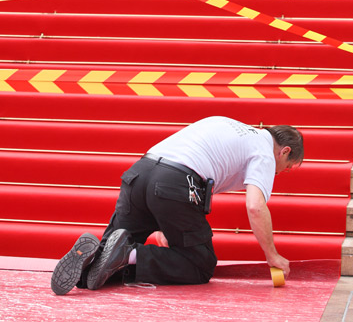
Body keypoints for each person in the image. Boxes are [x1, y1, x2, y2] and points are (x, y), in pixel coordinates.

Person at [51, 116, 304, 295]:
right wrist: (272, 256)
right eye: (289, 168)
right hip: (175, 183)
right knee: (199, 265)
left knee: (104, 263)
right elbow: (255, 207)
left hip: (140, 173)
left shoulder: (226, 125)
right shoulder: (264, 151)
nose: (282, 172)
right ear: (284, 152)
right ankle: (125, 254)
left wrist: (165, 223)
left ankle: (95, 258)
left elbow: (186, 170)